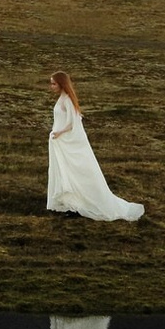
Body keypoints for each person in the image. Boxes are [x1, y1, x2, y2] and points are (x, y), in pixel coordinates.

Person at [46, 71, 144, 221]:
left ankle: (78, 204)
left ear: (61, 84)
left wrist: (60, 132)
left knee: (73, 172)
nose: (51, 86)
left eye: (54, 83)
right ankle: (71, 203)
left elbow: (75, 121)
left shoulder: (67, 100)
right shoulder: (63, 99)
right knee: (65, 171)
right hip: (60, 142)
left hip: (65, 142)